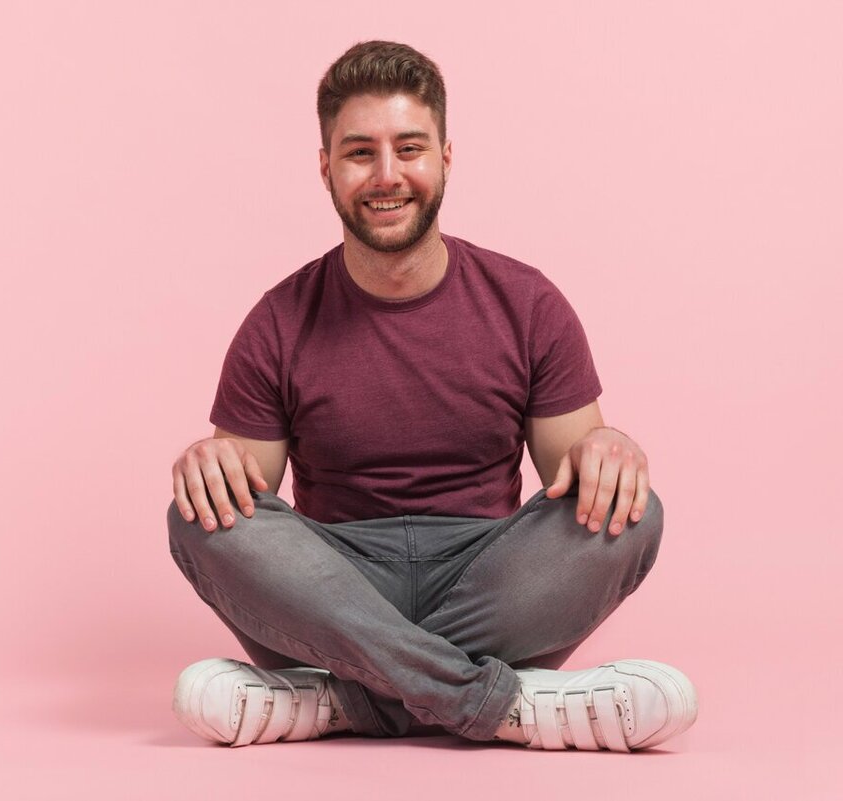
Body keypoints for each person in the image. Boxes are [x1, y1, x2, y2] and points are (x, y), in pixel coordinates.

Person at [166, 40, 697, 753]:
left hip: (490, 582)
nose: (387, 175)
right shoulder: (278, 320)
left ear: (445, 157)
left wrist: (610, 448)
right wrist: (208, 468)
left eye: (409, 148)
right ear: (326, 168)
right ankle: (500, 705)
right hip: (336, 585)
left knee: (634, 513)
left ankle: (343, 699)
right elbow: (241, 505)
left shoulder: (527, 303)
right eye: (360, 153)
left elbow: (582, 482)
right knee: (196, 518)